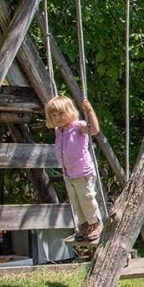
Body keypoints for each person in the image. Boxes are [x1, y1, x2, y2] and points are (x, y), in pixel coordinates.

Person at [44, 95, 103, 242]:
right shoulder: (59, 131)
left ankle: (95, 224)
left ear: (70, 112)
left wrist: (90, 111)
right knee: (75, 201)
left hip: (82, 171)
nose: (58, 117)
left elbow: (94, 130)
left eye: (61, 113)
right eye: (54, 115)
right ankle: (84, 225)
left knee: (86, 198)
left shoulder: (78, 126)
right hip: (68, 173)